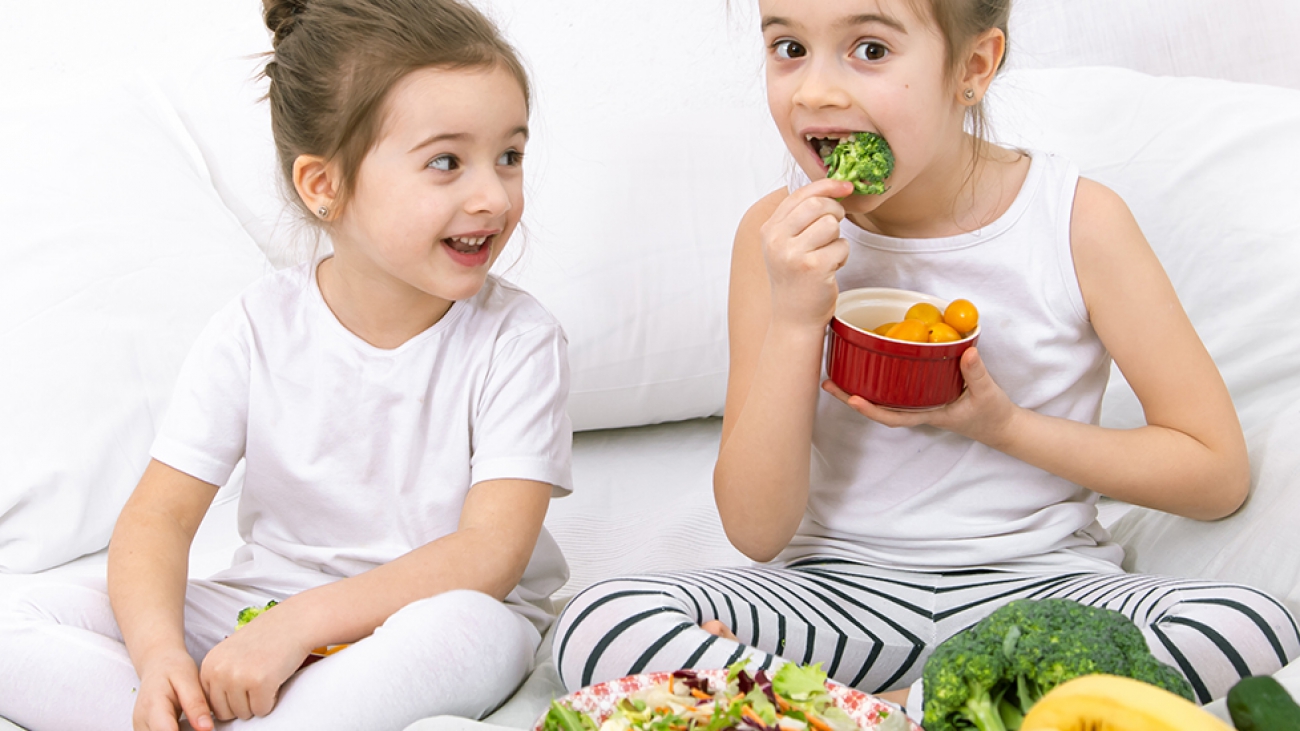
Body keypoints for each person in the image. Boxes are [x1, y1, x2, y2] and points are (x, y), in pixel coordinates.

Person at [552, 0, 1299, 712]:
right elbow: (755, 530)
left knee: (1252, 625)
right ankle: (920, 711)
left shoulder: (1077, 221)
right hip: (836, 598)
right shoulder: (774, 239)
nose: (814, 89)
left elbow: (1215, 474)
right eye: (788, 48)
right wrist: (792, 321)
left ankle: (850, 713)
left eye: (869, 49)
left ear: (973, 66)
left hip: (1043, 593)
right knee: (600, 621)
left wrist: (1000, 423)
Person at [0, 1, 572, 729]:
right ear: (322, 184)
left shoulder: (518, 341)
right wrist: (161, 657)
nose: (492, 196)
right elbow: (157, 520)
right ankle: (178, 711)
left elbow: (488, 554)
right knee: (15, 617)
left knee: (469, 624)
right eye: (446, 162)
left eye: (510, 157)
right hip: (259, 610)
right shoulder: (253, 329)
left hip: (423, 621)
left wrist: (299, 627)